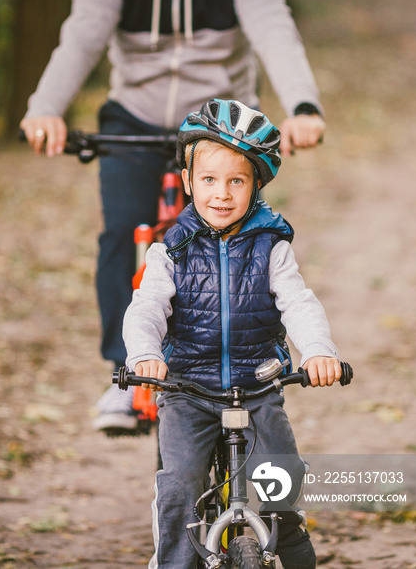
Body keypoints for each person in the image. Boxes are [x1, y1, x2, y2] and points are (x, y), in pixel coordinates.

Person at [20, 0, 326, 433]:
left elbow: (275, 33)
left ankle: (238, 358)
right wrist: (45, 107)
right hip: (135, 120)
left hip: (221, 130)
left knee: (240, 239)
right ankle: (125, 369)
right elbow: (79, 37)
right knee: (122, 232)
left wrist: (303, 105)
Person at [123, 98, 341, 569]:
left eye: (236, 181)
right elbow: (146, 309)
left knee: (282, 483)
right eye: (208, 180)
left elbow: (299, 303)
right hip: (188, 389)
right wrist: (144, 354)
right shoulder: (170, 251)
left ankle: (295, 547)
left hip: (257, 387)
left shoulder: (271, 247)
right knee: (180, 488)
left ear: (256, 185)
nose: (221, 194)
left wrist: (318, 351)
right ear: (187, 181)